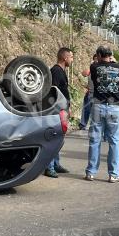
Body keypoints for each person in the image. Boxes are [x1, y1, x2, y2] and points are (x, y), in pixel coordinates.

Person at [85, 46, 119, 183]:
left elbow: (95, 69)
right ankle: (113, 175)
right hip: (115, 108)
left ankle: (91, 172)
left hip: (98, 106)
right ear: (111, 55)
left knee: (95, 140)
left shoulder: (94, 68)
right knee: (114, 142)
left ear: (99, 55)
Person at [44, 47, 74, 178]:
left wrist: (68, 107)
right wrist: (60, 108)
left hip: (62, 109)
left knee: (59, 137)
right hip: (56, 110)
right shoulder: (56, 71)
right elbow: (54, 91)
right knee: (53, 137)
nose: (72, 60)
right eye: (71, 57)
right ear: (65, 58)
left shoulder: (61, 71)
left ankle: (56, 163)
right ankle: (49, 167)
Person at [79, 54, 98, 130]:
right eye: (95, 59)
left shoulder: (102, 69)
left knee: (96, 111)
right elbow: (83, 74)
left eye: (97, 59)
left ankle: (94, 126)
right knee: (86, 109)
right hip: (90, 92)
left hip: (98, 94)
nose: (96, 60)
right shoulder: (90, 69)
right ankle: (83, 124)